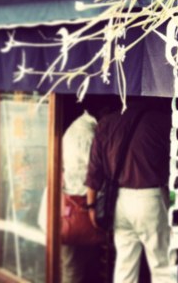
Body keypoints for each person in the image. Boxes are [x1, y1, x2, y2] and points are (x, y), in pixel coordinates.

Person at [85, 99, 172, 283]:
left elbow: (94, 169)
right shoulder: (160, 121)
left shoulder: (107, 123)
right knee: (162, 264)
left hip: (118, 200)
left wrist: (91, 205)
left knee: (125, 263)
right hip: (149, 198)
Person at [61, 105, 100, 282]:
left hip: (70, 201)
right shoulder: (87, 134)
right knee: (73, 264)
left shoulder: (75, 128)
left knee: (73, 262)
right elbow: (94, 172)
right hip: (79, 203)